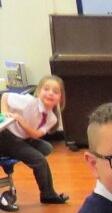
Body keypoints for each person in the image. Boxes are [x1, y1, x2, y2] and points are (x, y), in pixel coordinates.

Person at [0, 75, 69, 204]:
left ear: (61, 98)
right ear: (39, 91)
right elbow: (5, 96)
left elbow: (35, 134)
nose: (50, 93)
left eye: (55, 91)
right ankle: (48, 194)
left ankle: (12, 152)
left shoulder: (51, 118)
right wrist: (4, 114)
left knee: (46, 148)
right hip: (6, 136)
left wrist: (20, 122)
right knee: (39, 160)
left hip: (23, 138)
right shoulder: (29, 102)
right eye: (46, 89)